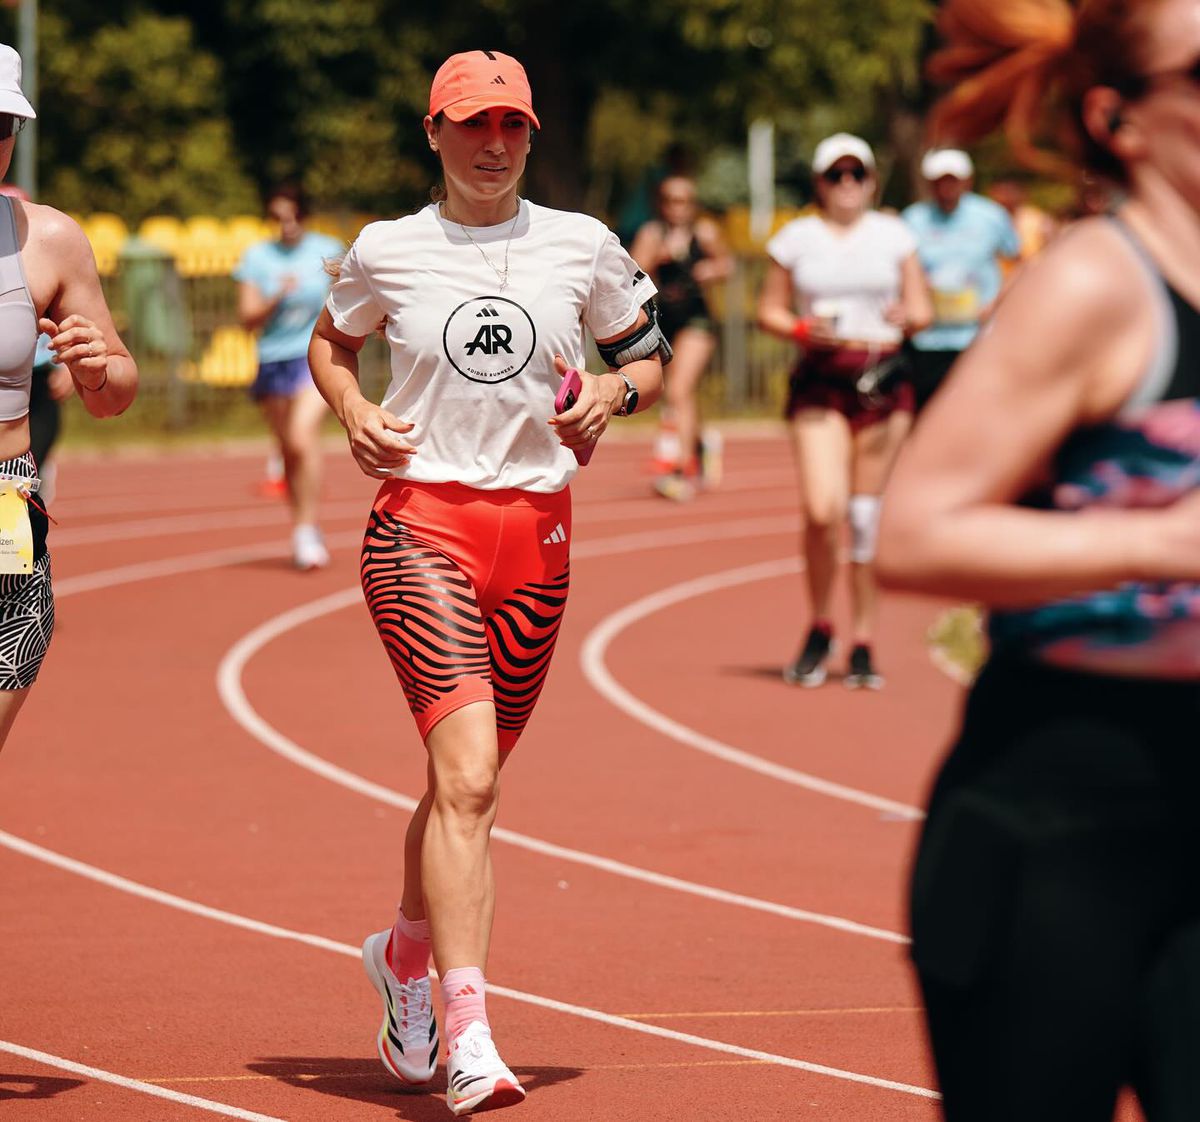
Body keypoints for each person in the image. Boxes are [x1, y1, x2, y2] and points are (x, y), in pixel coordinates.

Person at [308, 50, 665, 1116]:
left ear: (531, 133)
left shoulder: (582, 243)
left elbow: (647, 354)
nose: (492, 143)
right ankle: (469, 1033)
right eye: (471, 124)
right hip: (421, 527)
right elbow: (332, 345)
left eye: (510, 124)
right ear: (434, 132)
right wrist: (354, 411)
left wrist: (616, 391)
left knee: (467, 788)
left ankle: (402, 958)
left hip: (539, 537)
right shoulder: (389, 250)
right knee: (466, 780)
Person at [877, 1, 1200, 1118]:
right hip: (1063, 826)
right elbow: (915, 529)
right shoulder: (1098, 290)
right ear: (1122, 119)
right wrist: (1164, 541)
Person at [756, 133, 931, 690]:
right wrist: (803, 329)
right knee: (822, 508)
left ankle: (862, 641)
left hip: (881, 378)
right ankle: (819, 624)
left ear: (873, 181)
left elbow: (922, 309)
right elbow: (769, 310)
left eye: (858, 174)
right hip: (821, 379)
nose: (848, 184)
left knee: (863, 519)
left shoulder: (894, 235)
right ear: (820, 183)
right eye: (837, 175)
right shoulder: (796, 238)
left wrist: (909, 315)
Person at [0, 44, 137, 750]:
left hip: (7, 504)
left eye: (1, 126)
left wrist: (92, 368)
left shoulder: (48, 239)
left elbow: (117, 391)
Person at [234, 184, 341, 570]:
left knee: (301, 436)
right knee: (289, 452)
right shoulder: (257, 258)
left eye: (293, 215)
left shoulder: (325, 249)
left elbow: (345, 304)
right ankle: (302, 527)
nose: (288, 224)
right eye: (279, 217)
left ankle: (309, 529)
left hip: (313, 356)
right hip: (273, 359)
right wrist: (276, 296)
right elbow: (247, 318)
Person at [630, 175, 731, 500]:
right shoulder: (652, 234)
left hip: (697, 318)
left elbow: (727, 263)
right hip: (664, 319)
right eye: (671, 200)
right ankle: (701, 443)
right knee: (678, 396)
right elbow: (630, 272)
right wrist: (654, 260)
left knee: (680, 389)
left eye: (684, 200)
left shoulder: (705, 233)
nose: (678, 208)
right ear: (662, 204)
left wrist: (711, 270)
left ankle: (682, 467)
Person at [902, 149, 1019, 412]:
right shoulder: (913, 219)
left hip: (977, 337)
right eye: (940, 180)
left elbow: (1019, 263)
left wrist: (998, 303)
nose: (946, 187)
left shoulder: (991, 216)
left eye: (953, 180)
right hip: (928, 340)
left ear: (967, 181)